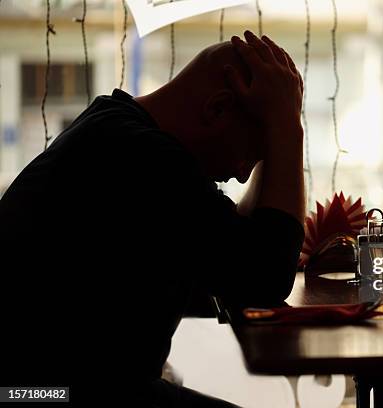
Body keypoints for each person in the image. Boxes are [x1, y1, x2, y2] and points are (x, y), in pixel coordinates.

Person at [0, 31, 305, 407]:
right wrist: (287, 130)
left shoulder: (117, 128)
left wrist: (279, 126)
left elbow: (242, 260)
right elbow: (264, 278)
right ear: (217, 109)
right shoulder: (144, 158)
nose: (243, 175)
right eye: (251, 153)